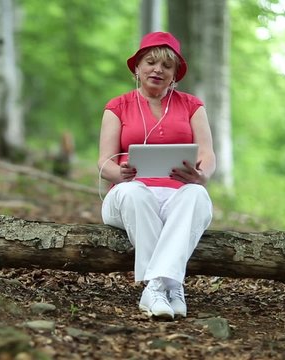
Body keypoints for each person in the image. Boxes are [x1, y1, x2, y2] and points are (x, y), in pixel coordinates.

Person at [97, 32, 216, 320]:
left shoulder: (191, 105)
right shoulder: (117, 106)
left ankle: (158, 288)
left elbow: (208, 155)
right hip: (127, 194)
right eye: (150, 62)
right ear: (137, 68)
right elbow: (103, 162)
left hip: (175, 196)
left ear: (175, 74)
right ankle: (169, 285)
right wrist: (119, 172)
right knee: (134, 193)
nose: (157, 70)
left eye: (166, 66)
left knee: (197, 195)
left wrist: (202, 175)